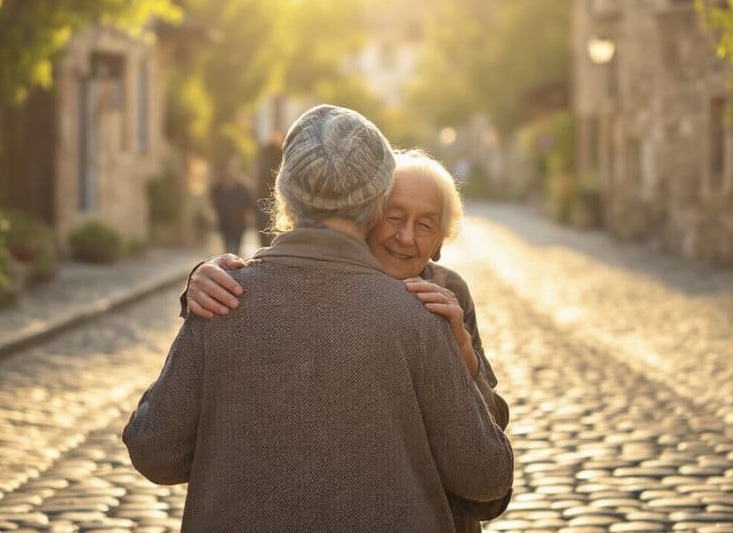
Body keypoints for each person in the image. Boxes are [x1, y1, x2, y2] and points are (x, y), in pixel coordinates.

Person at [123, 105, 513, 532]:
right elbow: (486, 477)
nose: (405, 237)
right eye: (396, 217)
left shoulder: (225, 302)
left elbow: (155, 451)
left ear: (285, 193)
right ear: (376, 203)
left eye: (425, 225)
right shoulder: (417, 317)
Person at [208, 157, 254, 255]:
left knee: (237, 247)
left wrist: (250, 215)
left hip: (239, 222)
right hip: (225, 222)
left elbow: (249, 203)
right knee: (227, 246)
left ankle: (234, 263)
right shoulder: (217, 188)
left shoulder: (243, 187)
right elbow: (213, 203)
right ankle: (229, 263)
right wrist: (214, 215)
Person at [255, 130, 284, 247]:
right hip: (269, 198)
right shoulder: (269, 154)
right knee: (267, 230)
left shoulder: (272, 154)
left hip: (273, 198)